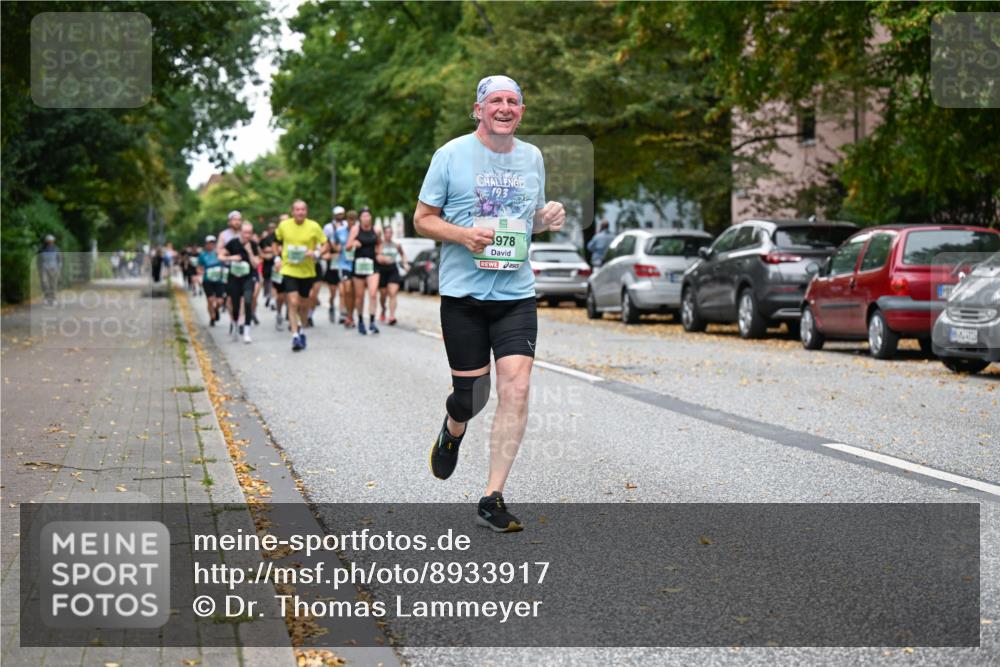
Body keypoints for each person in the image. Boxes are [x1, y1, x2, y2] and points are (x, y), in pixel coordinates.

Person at [414, 75, 565, 532]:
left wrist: (547, 217)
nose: (504, 107)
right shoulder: (450, 155)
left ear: (521, 111)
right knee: (472, 397)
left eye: (512, 101)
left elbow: (526, 219)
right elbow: (423, 219)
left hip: (515, 294)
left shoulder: (532, 157)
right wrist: (463, 235)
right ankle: (452, 428)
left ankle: (492, 497)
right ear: (478, 109)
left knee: (516, 389)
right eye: (495, 100)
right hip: (464, 296)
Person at [276, 200, 328, 351]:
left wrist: (316, 253)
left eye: (303, 209)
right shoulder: (284, 226)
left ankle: (302, 329)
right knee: (293, 301)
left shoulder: (314, 226)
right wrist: (277, 259)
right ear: (292, 212)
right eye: (297, 209)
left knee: (304, 304)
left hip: (307, 271)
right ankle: (295, 335)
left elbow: (326, 244)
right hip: (289, 269)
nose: (300, 212)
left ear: (306, 211)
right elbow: (275, 242)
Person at [218, 221, 261, 343]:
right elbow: (220, 256)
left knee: (248, 301)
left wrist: (250, 252)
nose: (247, 235)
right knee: (235, 305)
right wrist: (231, 258)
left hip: (248, 277)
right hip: (234, 277)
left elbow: (256, 264)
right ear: (240, 232)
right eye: (245, 232)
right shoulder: (233, 243)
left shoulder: (253, 245)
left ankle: (247, 331)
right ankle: (235, 325)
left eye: (249, 233)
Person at [346, 207, 382, 335]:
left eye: (368, 215)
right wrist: (354, 243)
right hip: (359, 265)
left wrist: (379, 252)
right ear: (360, 218)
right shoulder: (355, 229)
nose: (366, 218)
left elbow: (379, 243)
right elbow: (347, 247)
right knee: (359, 296)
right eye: (363, 216)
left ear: (371, 217)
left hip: (372, 265)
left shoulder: (376, 230)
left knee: (373, 294)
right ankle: (361, 320)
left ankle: (372, 322)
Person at [376, 225, 410, 325]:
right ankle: (383, 309)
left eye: (390, 232)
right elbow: (377, 256)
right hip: (382, 271)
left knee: (393, 293)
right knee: (383, 294)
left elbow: (403, 255)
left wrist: (405, 263)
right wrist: (382, 258)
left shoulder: (397, 245)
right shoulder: (380, 245)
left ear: (392, 234)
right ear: (384, 233)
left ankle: (392, 316)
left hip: (393, 270)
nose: (388, 234)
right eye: (387, 232)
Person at [322, 206, 348, 323]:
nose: (340, 216)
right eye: (338, 214)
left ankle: (342, 312)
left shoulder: (346, 225)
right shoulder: (328, 228)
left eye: (341, 214)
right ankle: (332, 305)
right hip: (332, 262)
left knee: (343, 291)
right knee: (333, 292)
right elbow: (324, 243)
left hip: (343, 261)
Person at [336, 209, 358, 327]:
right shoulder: (340, 231)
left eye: (354, 220)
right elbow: (333, 244)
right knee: (347, 289)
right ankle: (347, 314)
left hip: (356, 264)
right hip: (344, 264)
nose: (352, 223)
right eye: (350, 220)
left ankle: (351, 315)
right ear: (347, 220)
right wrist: (337, 248)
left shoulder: (359, 231)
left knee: (354, 292)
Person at [198, 236, 224, 326]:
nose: (210, 245)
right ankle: (212, 317)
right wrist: (200, 274)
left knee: (220, 301)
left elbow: (225, 262)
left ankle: (216, 310)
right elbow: (199, 267)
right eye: (209, 243)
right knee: (210, 300)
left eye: (212, 243)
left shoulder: (218, 253)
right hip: (207, 280)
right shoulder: (202, 255)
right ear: (206, 244)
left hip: (219, 279)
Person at [37, 234, 63, 304]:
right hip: (44, 268)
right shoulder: (41, 250)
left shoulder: (57, 249)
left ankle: (54, 299)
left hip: (54, 268)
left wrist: (59, 269)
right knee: (44, 283)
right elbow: (38, 260)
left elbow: (60, 260)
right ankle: (46, 297)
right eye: (48, 241)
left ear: (53, 241)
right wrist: (39, 269)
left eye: (51, 241)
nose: (49, 242)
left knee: (53, 284)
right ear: (46, 241)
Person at [259, 221, 278, 309]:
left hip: (276, 263)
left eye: (273, 228)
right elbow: (262, 249)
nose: (272, 230)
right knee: (267, 281)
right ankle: (268, 296)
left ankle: (273, 299)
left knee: (274, 281)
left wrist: (271, 251)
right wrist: (272, 251)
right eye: (271, 228)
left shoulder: (278, 238)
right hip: (267, 264)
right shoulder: (265, 239)